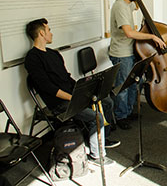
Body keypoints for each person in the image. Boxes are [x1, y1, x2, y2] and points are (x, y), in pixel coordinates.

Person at [24, 18, 120, 166]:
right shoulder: (32, 58)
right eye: (49, 30)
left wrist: (84, 92)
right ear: (42, 33)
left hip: (72, 96)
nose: (51, 33)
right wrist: (73, 98)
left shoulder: (53, 54)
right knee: (97, 117)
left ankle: (101, 139)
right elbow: (48, 87)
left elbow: (67, 78)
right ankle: (96, 156)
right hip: (59, 104)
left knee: (107, 102)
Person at [109, 0, 166, 130]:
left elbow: (138, 6)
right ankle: (120, 116)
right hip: (121, 52)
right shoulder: (120, 7)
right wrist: (152, 36)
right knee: (123, 86)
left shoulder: (129, 3)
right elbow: (129, 33)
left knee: (136, 82)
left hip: (131, 50)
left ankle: (127, 111)